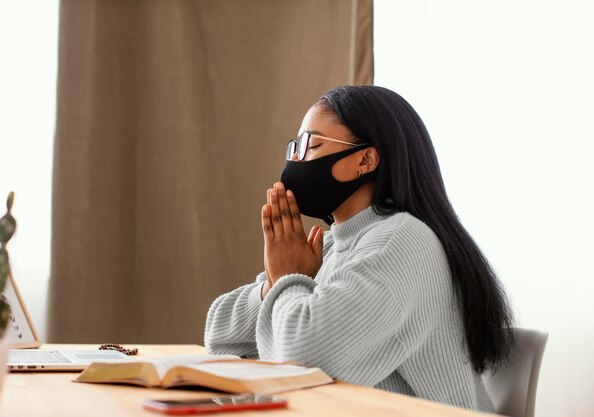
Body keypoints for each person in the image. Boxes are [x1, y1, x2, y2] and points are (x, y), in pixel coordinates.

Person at [204, 85, 514, 412]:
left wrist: (289, 278)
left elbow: (307, 358)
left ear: (365, 159)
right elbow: (220, 336)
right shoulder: (329, 245)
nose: (295, 160)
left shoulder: (402, 242)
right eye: (295, 146)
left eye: (311, 144)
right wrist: (273, 285)